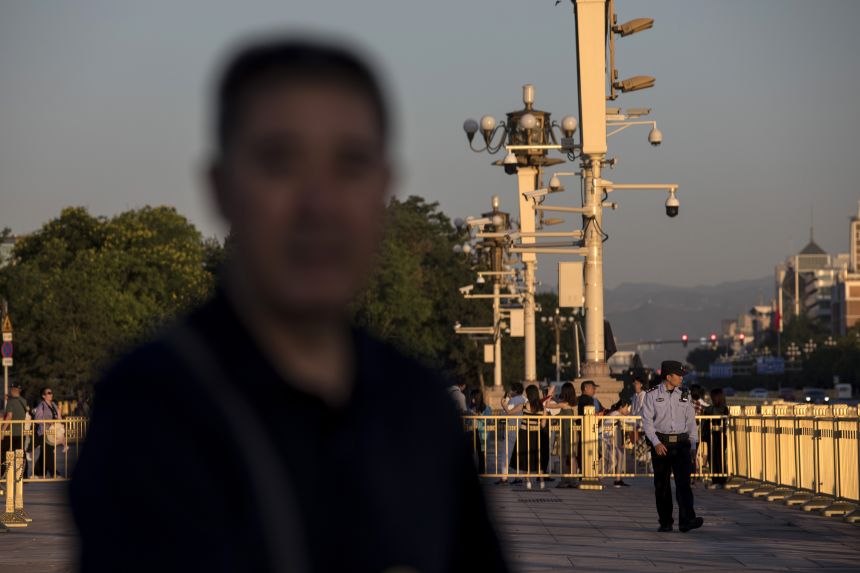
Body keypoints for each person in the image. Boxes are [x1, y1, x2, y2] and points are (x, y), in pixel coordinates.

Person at [70, 38, 507, 573]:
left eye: (350, 165)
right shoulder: (153, 407)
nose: (318, 204)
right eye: (280, 163)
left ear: (383, 189)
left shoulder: (416, 409)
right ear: (220, 186)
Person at [641, 361, 703, 533]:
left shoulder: (685, 394)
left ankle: (687, 520)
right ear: (668, 376)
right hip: (662, 444)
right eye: (679, 375)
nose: (682, 378)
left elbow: (691, 422)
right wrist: (656, 442)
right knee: (662, 486)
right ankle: (665, 521)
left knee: (684, 484)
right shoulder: (652, 395)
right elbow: (647, 422)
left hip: (682, 444)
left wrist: (693, 445)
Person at [509, 385, 548, 490]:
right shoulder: (542, 407)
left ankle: (528, 482)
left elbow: (509, 412)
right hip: (536, 434)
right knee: (537, 457)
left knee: (525, 456)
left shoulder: (524, 405)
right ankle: (542, 482)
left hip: (524, 433)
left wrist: (503, 404)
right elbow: (543, 424)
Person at [545, 382, 579, 488]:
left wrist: (549, 393)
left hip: (566, 432)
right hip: (573, 432)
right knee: (572, 456)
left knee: (564, 456)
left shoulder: (564, 404)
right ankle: (573, 479)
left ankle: (565, 479)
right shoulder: (575, 403)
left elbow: (547, 405)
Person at [33, 387, 66, 478]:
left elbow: (58, 416)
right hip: (44, 432)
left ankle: (37, 473)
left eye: (51, 392)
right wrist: (48, 421)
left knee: (45, 453)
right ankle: (54, 473)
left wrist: (60, 423)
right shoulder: (41, 406)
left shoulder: (54, 405)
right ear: (43, 396)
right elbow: (37, 419)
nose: (51, 394)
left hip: (52, 432)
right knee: (49, 453)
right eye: (48, 393)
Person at [497, 382, 526, 484]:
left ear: (515, 391)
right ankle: (519, 477)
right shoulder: (524, 399)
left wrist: (503, 404)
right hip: (522, 430)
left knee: (506, 453)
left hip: (511, 430)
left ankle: (504, 477)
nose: (510, 391)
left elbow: (505, 412)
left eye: (511, 389)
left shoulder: (513, 400)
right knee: (519, 453)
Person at [1, 382, 30, 478]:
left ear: (13, 390)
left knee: (3, 453)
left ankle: (1, 473)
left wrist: (2, 431)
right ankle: (23, 475)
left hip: (10, 432)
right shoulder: (24, 401)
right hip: (21, 431)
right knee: (21, 454)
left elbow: (9, 416)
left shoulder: (10, 402)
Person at [703, 388, 730, 488]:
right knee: (717, 458)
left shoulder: (711, 409)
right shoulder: (725, 409)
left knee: (715, 458)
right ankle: (719, 480)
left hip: (715, 436)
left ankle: (718, 480)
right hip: (719, 436)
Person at [603, 399, 632, 487]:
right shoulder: (616, 414)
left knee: (620, 456)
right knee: (612, 462)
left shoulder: (617, 414)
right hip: (606, 440)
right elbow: (629, 421)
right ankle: (598, 478)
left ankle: (618, 479)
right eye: (626, 408)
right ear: (621, 408)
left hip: (611, 440)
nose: (627, 410)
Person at [467, 388, 492, 475]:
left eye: (473, 397)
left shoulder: (487, 408)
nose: (471, 399)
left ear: (477, 398)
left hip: (481, 433)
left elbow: (490, 421)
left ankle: (481, 473)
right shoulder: (469, 408)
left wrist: (478, 416)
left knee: (481, 454)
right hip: (471, 432)